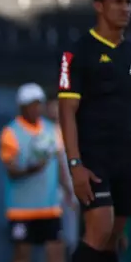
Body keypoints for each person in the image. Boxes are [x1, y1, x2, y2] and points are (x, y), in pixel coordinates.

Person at [53, 0, 131, 262]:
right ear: (99, 6)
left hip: (126, 158)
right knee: (99, 227)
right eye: (118, 2)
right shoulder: (79, 53)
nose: (125, 8)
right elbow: (66, 110)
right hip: (93, 156)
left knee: (113, 237)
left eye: (128, 2)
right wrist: (74, 163)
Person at [0, 84, 72, 262]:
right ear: (22, 107)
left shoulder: (51, 131)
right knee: (22, 251)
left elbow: (60, 162)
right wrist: (31, 168)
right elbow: (11, 169)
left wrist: (67, 188)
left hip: (49, 204)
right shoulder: (11, 132)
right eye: (32, 105)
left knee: (55, 248)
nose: (36, 108)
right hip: (21, 207)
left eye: (39, 103)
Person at [46, 98, 81, 252]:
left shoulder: (73, 132)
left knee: (72, 236)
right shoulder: (48, 133)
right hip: (57, 192)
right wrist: (67, 188)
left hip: (74, 189)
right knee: (58, 238)